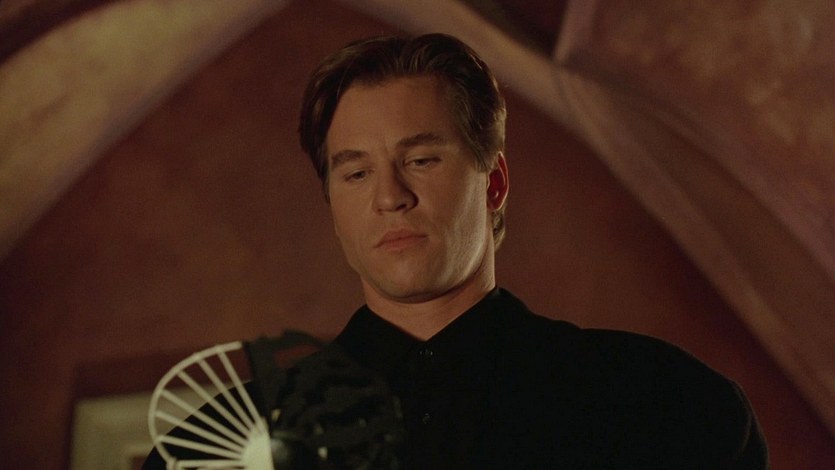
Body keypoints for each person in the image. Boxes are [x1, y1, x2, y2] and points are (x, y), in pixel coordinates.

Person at [144, 33, 768, 469]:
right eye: (356, 173)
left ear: (493, 181)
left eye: (420, 159)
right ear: (332, 204)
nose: (390, 197)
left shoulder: (662, 403)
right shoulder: (214, 450)